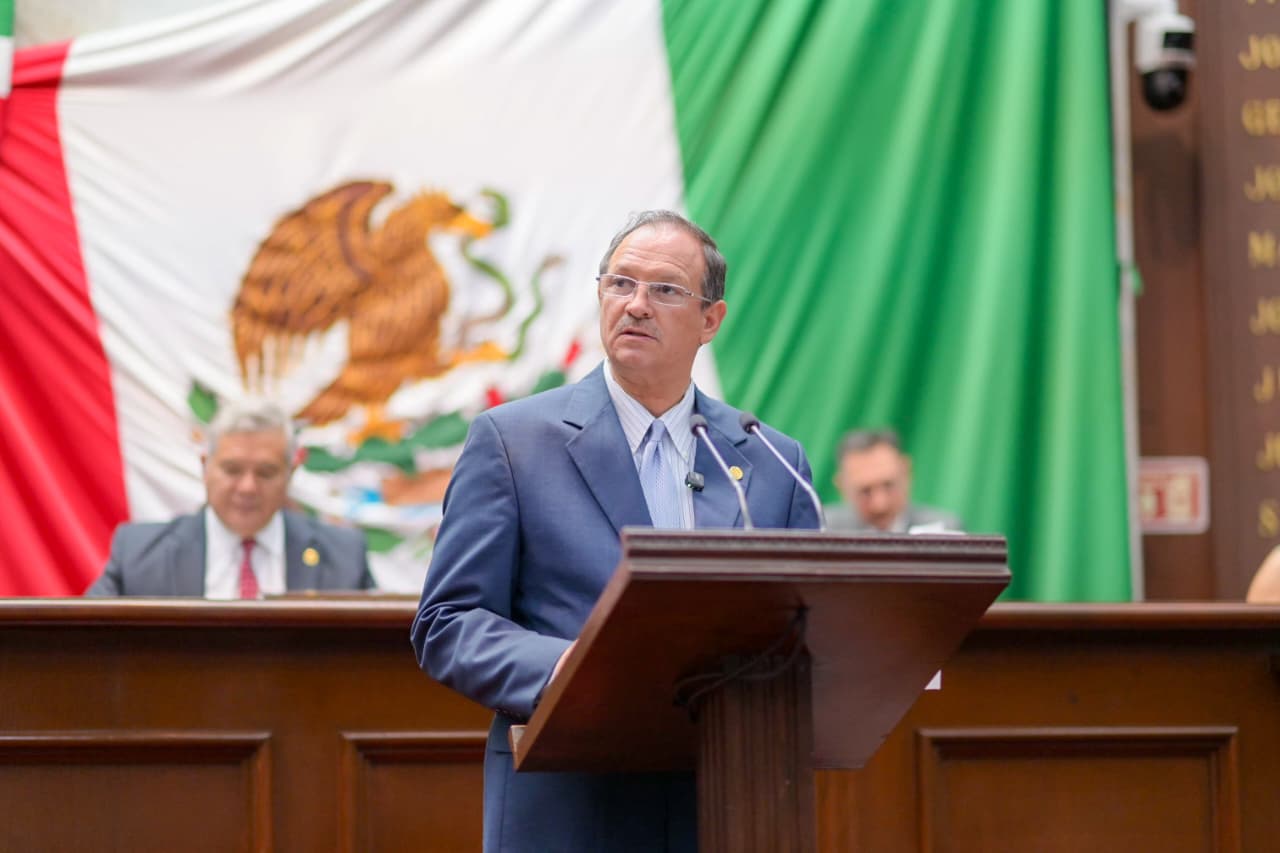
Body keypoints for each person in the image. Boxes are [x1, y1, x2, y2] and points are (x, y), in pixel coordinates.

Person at [411, 210, 820, 852]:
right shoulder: (513, 442)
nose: (636, 305)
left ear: (710, 320)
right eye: (620, 283)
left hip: (727, 801)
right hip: (568, 802)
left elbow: (806, 632)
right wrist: (569, 669)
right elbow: (448, 621)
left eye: (665, 290)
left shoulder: (769, 460)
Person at [86, 398, 373, 596]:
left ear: (291, 473)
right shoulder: (140, 555)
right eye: (232, 470)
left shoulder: (344, 557)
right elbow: (82, 645)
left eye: (266, 472)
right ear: (205, 467)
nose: (247, 487)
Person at [826, 428, 962, 534]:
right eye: (865, 491)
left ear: (906, 472)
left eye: (888, 486)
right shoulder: (824, 533)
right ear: (841, 487)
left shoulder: (945, 532)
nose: (880, 504)